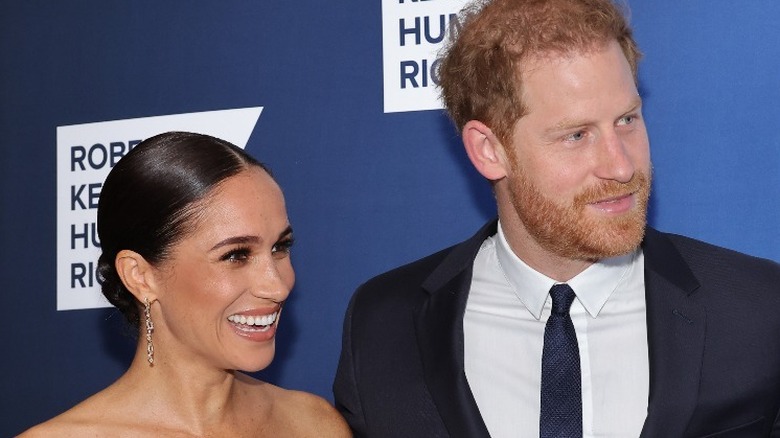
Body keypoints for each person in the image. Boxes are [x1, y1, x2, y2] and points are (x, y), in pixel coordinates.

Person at [333, 0, 780, 437]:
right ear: (490, 150)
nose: (621, 167)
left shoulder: (758, 309)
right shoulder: (382, 324)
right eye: (577, 134)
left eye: (626, 120)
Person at [22, 132, 350, 437]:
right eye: (236, 255)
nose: (277, 287)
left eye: (280, 247)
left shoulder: (314, 424)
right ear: (140, 276)